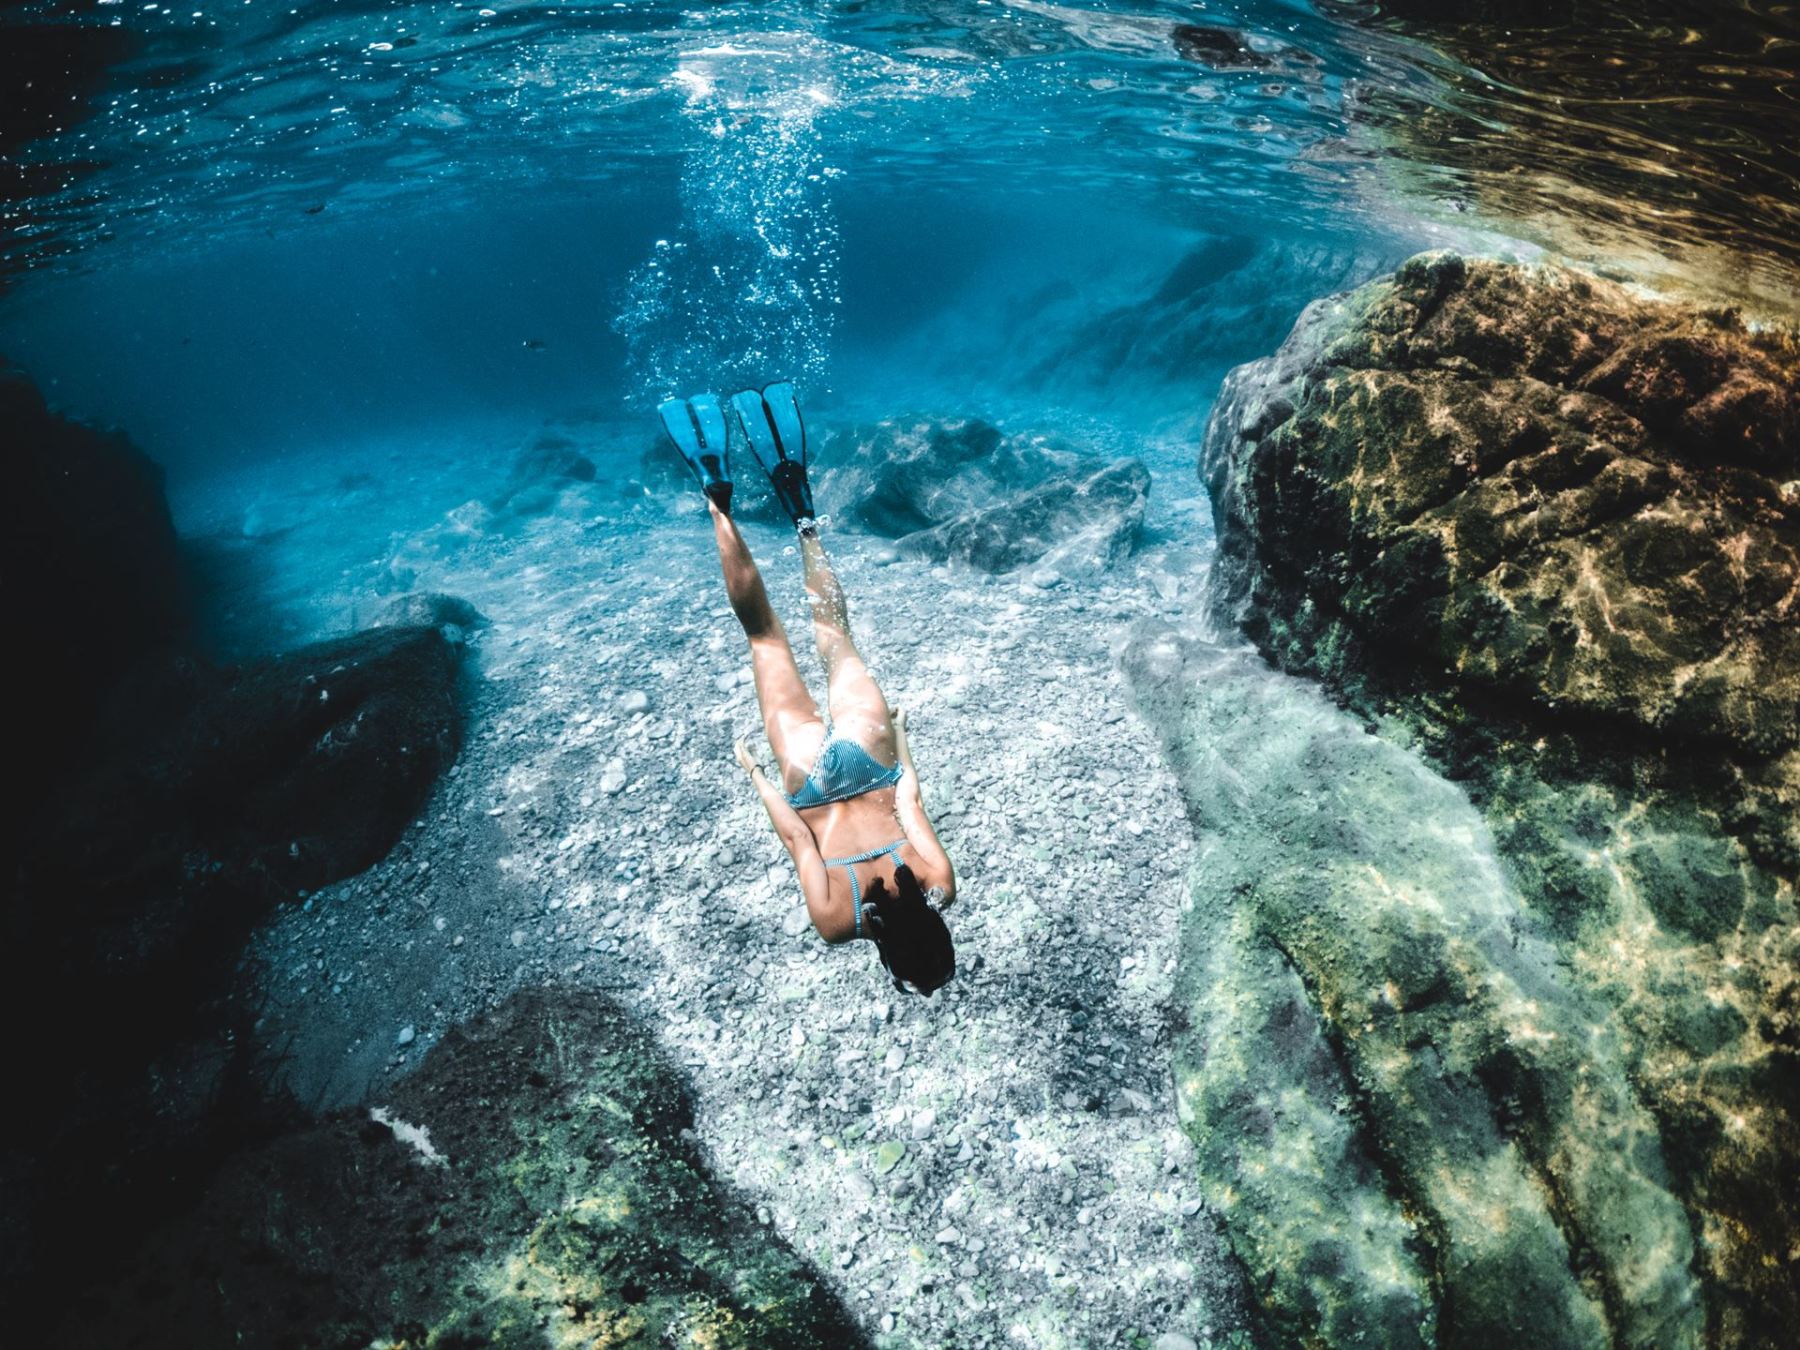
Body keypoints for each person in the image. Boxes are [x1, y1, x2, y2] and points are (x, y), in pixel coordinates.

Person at [657, 383, 956, 996]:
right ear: (892, 960)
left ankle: (802, 519)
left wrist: (899, 736)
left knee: (835, 636)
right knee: (764, 636)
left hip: (872, 757)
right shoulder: (836, 923)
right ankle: (718, 501)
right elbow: (797, 836)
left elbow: (911, 802)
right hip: (808, 777)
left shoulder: (939, 885)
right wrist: (756, 775)